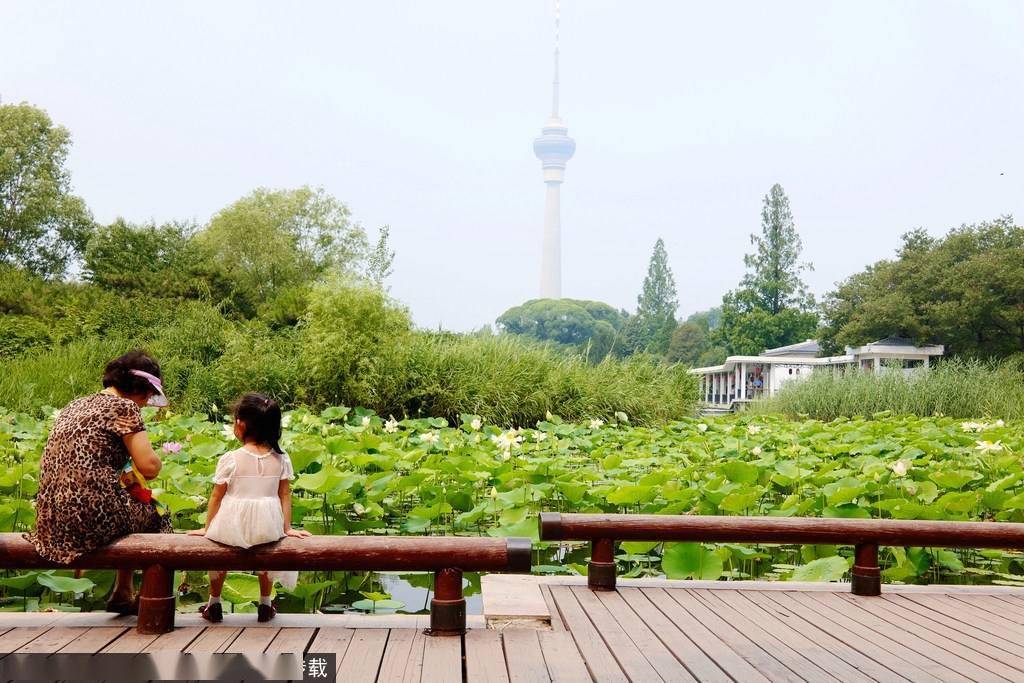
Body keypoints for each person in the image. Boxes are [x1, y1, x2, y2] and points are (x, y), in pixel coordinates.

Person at [26, 350, 172, 614]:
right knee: (158, 512)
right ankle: (139, 597)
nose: (148, 400)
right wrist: (156, 460)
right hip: (91, 515)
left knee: (133, 502)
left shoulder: (76, 404)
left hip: (49, 516)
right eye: (149, 393)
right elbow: (149, 468)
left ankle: (122, 592)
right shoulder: (124, 407)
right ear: (139, 387)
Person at [188, 393, 310, 622]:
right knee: (267, 550)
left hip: (232, 521)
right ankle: (265, 604)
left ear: (241, 424)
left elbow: (216, 496)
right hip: (268, 524)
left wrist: (208, 528)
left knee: (218, 551)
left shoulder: (230, 458)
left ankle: (213, 604)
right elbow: (284, 495)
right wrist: (287, 527)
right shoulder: (282, 459)